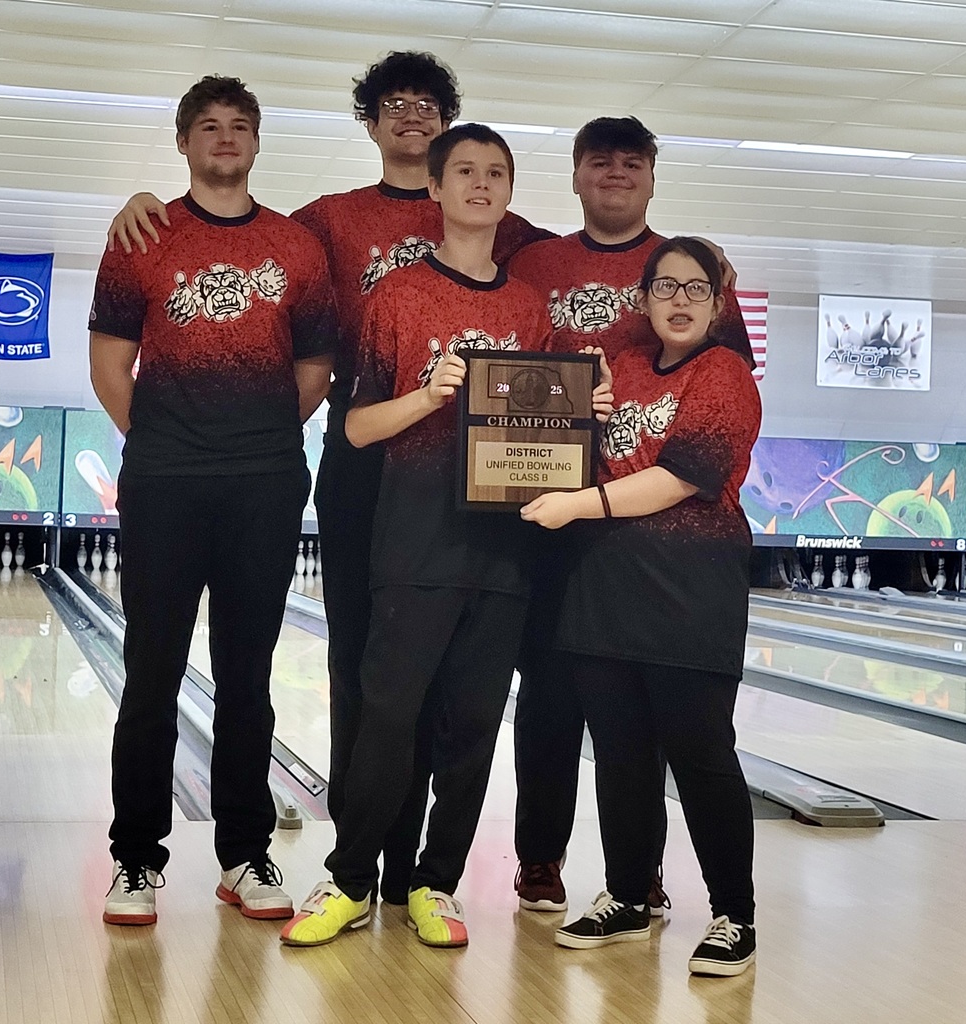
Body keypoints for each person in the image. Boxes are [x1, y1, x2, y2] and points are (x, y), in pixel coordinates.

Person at [104, 52, 551, 905]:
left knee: (408, 675)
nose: (413, 119)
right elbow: (229, 218)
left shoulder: (504, 223)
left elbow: (577, 260)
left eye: (430, 108)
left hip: (463, 477)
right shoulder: (319, 223)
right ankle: (355, 854)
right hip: (360, 460)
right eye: (395, 105)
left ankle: (395, 869)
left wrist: (693, 256)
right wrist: (142, 204)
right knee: (358, 664)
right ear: (372, 122)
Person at [279, 123, 611, 950]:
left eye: (495, 172)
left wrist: (588, 414)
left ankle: (436, 883)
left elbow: (550, 434)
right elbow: (355, 427)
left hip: (504, 544)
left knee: (469, 724)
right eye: (464, 170)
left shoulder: (529, 307)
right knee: (388, 714)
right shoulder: (396, 296)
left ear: (508, 190)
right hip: (413, 535)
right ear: (434, 188)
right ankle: (352, 879)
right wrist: (429, 395)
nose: (480, 184)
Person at [89, 75, 335, 926]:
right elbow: (109, 365)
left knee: (247, 674)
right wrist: (162, 442)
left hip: (262, 487)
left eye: (239, 126)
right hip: (164, 486)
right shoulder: (140, 237)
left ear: (257, 143)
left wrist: (254, 438)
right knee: (151, 673)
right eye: (208, 126)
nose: (224, 138)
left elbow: (312, 373)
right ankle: (135, 859)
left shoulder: (297, 247)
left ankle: (245, 854)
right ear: (185, 143)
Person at [508, 117, 754, 914]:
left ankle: (729, 913)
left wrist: (571, 501)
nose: (676, 301)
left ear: (716, 302)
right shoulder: (615, 356)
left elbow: (687, 470)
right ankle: (615, 887)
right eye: (663, 289)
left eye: (693, 290)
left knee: (694, 748)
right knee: (610, 746)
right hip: (601, 575)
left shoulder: (720, 370)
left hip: (685, 583)